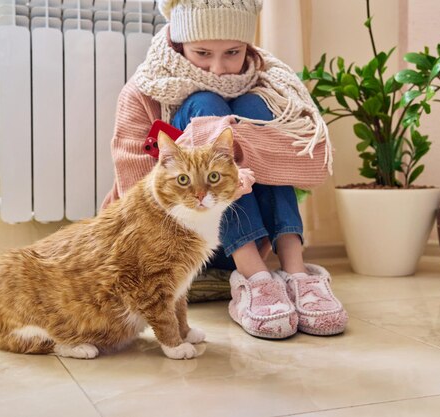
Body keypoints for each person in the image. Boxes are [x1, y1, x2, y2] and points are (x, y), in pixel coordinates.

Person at [102, 0, 347, 339]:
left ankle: (297, 271)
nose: (218, 69)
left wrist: (245, 156)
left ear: (247, 47)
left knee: (252, 105)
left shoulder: (271, 86)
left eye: (232, 52)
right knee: (205, 103)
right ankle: (255, 278)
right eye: (202, 53)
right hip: (175, 237)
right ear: (178, 42)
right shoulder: (142, 92)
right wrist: (210, 172)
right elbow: (136, 195)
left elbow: (308, 166)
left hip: (248, 234)